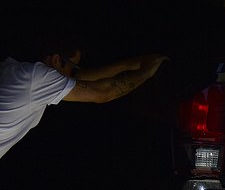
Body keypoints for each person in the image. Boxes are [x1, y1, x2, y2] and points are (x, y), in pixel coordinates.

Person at [0, 42, 167, 159]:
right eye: (74, 67)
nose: (76, 73)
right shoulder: (38, 77)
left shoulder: (13, 68)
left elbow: (83, 79)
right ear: (56, 60)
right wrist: (147, 72)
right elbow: (103, 93)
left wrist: (129, 64)